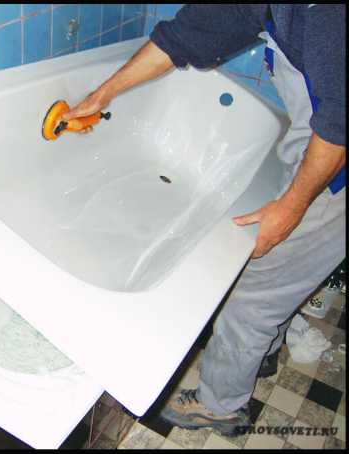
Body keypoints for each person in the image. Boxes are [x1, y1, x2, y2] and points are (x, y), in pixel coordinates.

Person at [62, 4, 345, 436]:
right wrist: (103, 95)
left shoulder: (327, 13)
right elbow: (185, 35)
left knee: (252, 292)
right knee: (279, 278)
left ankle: (221, 406)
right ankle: (263, 352)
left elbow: (339, 126)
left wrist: (291, 208)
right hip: (320, 142)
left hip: (337, 167)